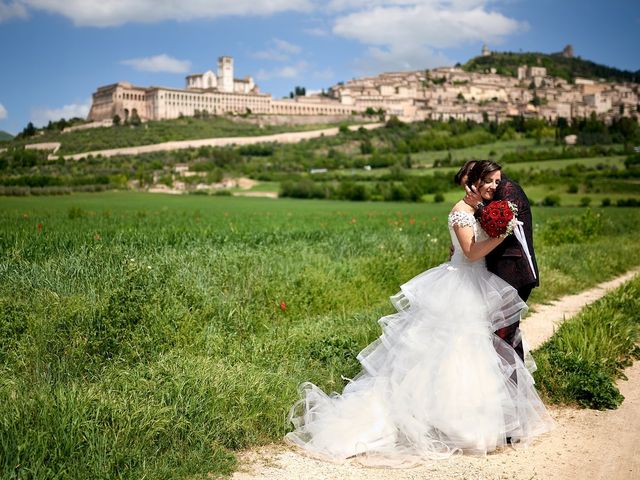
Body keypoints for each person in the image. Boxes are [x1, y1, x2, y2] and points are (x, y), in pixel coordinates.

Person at [286, 161, 553, 466]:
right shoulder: (461, 212)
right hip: (461, 285)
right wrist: (503, 234)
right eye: (488, 182)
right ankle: (443, 423)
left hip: (474, 282)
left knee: (475, 353)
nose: (494, 187)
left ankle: (478, 423)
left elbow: (459, 251)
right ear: (473, 183)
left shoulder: (479, 208)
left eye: (496, 181)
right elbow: (470, 252)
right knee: (452, 350)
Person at [461, 162, 539, 362]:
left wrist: (478, 205)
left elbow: (502, 224)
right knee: (503, 332)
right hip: (497, 270)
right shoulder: (488, 195)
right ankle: (513, 387)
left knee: (503, 334)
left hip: (515, 269)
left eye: (472, 178)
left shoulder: (506, 188)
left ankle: (513, 388)